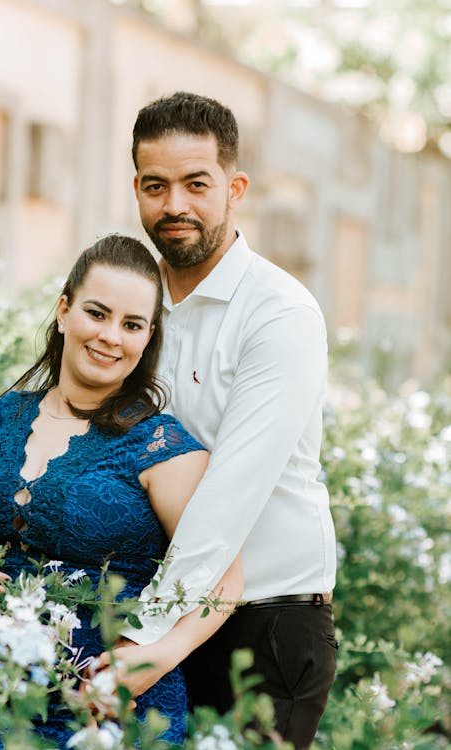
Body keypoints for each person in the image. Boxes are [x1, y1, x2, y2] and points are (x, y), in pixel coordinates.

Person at [0, 234, 242, 749]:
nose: (111, 336)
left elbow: (226, 581)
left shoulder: (161, 446)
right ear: (63, 311)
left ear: (147, 337)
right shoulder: (4, 417)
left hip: (109, 718)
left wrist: (158, 655)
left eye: (132, 325)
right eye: (97, 313)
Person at [115, 91, 338, 750]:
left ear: (235, 188)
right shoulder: (128, 310)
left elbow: (225, 502)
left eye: (195, 184)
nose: (173, 205)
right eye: (155, 186)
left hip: (263, 628)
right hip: (153, 614)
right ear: (136, 189)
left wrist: (142, 642)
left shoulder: (278, 314)